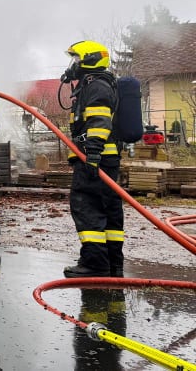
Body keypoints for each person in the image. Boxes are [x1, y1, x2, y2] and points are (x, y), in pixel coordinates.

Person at [61, 40, 125, 278]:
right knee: (108, 207)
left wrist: (93, 152)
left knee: (86, 205)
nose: (73, 64)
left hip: (94, 157)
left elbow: (99, 121)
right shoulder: (98, 84)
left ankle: (95, 263)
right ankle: (112, 262)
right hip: (103, 157)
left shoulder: (96, 86)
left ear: (89, 60)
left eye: (77, 59)